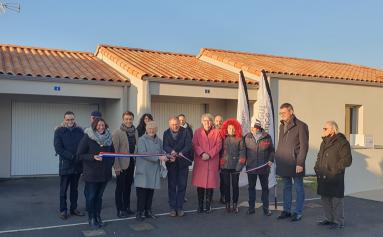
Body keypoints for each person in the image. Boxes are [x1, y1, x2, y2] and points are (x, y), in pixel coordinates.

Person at [77, 118, 115, 228]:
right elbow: (79, 155)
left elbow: (112, 153)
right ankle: (92, 218)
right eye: (98, 125)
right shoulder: (88, 137)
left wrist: (110, 164)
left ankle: (98, 216)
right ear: (94, 126)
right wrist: (93, 157)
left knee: (99, 197)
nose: (101, 127)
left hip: (104, 173)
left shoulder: (109, 138)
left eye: (103, 125)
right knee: (91, 196)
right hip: (91, 173)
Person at [314, 121, 352, 229]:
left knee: (336, 200)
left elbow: (347, 160)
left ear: (332, 129)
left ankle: (338, 221)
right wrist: (317, 168)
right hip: (323, 175)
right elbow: (319, 157)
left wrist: (335, 169)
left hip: (335, 176)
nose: (323, 130)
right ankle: (328, 218)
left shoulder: (342, 142)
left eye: (325, 128)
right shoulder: (324, 142)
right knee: (325, 198)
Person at [275, 103, 309, 222]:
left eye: (284, 112)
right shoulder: (281, 126)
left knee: (299, 188)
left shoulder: (301, 126)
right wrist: (277, 158)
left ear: (291, 111)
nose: (282, 115)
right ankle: (287, 210)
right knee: (286, 187)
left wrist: (300, 163)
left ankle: (298, 212)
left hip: (296, 164)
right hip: (284, 163)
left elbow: (304, 147)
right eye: (281, 113)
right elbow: (281, 144)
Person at [237, 120, 274, 216]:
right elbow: (243, 152)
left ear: (259, 127)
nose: (254, 129)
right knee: (251, 188)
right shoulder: (246, 137)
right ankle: (251, 208)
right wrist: (241, 165)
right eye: (253, 127)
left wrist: (270, 160)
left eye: (256, 127)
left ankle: (266, 209)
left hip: (264, 168)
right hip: (251, 167)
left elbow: (272, 151)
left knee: (265, 188)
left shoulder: (267, 137)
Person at [54, 111, 85, 220]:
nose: (70, 121)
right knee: (63, 190)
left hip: (77, 166)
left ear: (74, 119)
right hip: (65, 165)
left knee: (74, 189)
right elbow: (58, 148)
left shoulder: (80, 131)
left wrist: (80, 157)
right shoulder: (59, 131)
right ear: (64, 120)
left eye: (72, 119)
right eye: (67, 119)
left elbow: (83, 145)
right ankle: (63, 210)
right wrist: (72, 157)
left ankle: (74, 208)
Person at [135, 121, 168, 221]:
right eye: (149, 128)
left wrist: (166, 155)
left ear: (156, 129)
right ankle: (139, 212)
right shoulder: (141, 140)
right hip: (144, 171)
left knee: (150, 192)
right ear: (146, 129)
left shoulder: (159, 140)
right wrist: (159, 158)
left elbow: (162, 151)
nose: (152, 130)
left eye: (153, 128)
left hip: (154, 170)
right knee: (142, 193)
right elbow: (143, 153)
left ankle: (148, 211)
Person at [192, 113, 222, 214]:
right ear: (202, 122)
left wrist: (209, 154)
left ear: (212, 122)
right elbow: (195, 144)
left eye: (209, 120)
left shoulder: (217, 132)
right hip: (201, 161)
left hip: (212, 161)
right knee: (200, 185)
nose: (207, 122)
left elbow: (218, 146)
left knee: (210, 185)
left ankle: (208, 206)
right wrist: (202, 153)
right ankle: (200, 206)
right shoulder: (197, 132)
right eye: (205, 120)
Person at [163, 117, 193, 217]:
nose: (175, 126)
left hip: (183, 162)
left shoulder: (185, 132)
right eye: (172, 124)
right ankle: (172, 208)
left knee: (182, 185)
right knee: (171, 186)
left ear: (179, 123)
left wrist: (181, 153)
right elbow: (165, 145)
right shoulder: (166, 133)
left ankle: (179, 208)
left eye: (176, 124)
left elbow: (188, 145)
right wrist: (171, 151)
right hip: (171, 163)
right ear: (169, 124)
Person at [112, 111, 138, 218]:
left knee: (128, 187)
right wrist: (116, 167)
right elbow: (114, 151)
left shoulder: (135, 131)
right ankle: (120, 209)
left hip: (131, 163)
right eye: (126, 119)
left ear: (132, 119)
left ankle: (127, 207)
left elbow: (136, 146)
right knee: (120, 188)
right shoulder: (117, 132)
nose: (128, 121)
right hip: (121, 165)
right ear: (123, 120)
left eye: (130, 119)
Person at [219, 119, 242, 213]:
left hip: (235, 167)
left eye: (233, 128)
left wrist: (239, 166)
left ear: (236, 129)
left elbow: (242, 153)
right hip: (224, 167)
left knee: (235, 186)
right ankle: (227, 204)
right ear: (226, 129)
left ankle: (235, 204)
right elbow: (219, 152)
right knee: (226, 186)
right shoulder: (222, 138)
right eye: (229, 128)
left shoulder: (240, 139)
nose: (231, 130)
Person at [214, 115, 225, 204]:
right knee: (211, 178)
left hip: (223, 158)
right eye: (217, 121)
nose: (219, 123)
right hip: (213, 158)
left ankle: (223, 196)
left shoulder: (226, 131)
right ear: (214, 122)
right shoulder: (211, 131)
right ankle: (209, 197)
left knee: (223, 179)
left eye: (220, 121)